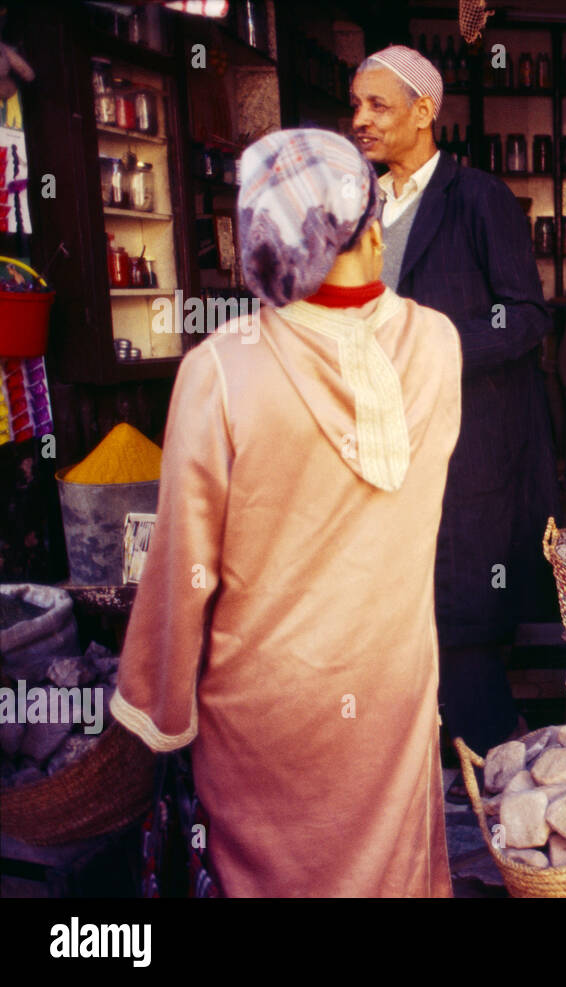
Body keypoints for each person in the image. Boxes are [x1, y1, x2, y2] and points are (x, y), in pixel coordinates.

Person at [110, 129, 462, 897]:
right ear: (371, 225)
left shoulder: (219, 373)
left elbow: (178, 571)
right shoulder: (439, 346)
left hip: (266, 714)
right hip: (390, 691)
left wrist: (157, 711)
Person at [351, 45, 558, 756]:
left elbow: (526, 316)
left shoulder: (478, 199)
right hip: (386, 432)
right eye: (356, 106)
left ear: (424, 111)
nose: (361, 120)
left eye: (377, 105)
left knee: (466, 596)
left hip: (469, 441)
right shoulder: (364, 205)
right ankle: (421, 761)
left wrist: (429, 345)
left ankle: (493, 760)